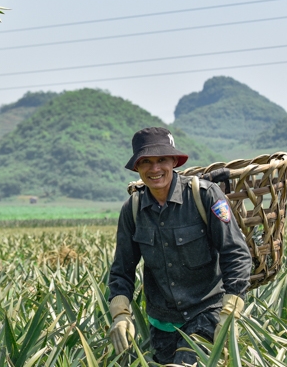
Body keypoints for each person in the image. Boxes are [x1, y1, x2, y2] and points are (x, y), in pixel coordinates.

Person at [107, 127, 252, 365]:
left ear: (173, 161)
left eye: (161, 160)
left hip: (207, 311)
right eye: (146, 162)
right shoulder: (132, 210)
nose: (155, 169)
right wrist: (120, 313)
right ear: (137, 167)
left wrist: (230, 310)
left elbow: (235, 253)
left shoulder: (204, 195)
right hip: (162, 323)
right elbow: (122, 269)